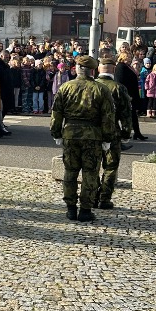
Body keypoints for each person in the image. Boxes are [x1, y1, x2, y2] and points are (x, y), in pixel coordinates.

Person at [50, 55, 116, 222]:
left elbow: (56, 113)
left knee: (70, 172)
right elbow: (108, 117)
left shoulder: (65, 87)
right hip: (92, 136)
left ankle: (71, 208)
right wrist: (108, 138)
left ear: (77, 69)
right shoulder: (101, 89)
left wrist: (56, 133)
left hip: (70, 134)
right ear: (93, 71)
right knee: (90, 173)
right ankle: (85, 210)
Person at [94, 56, 132, 211]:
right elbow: (126, 114)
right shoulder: (118, 88)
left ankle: (92, 196)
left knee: (92, 166)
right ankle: (104, 198)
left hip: (93, 132)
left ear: (98, 69)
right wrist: (126, 133)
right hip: (112, 132)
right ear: (114, 69)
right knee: (110, 166)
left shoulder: (92, 86)